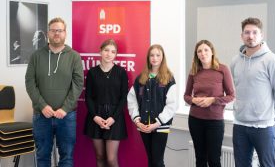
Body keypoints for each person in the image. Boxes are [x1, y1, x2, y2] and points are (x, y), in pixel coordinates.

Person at [25, 17, 84, 167]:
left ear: (65, 33)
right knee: (43, 156)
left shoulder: (74, 57)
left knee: (67, 157)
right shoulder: (36, 56)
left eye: (60, 30)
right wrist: (42, 106)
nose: (56, 33)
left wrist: (65, 108)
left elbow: (78, 84)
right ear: (48, 33)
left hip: (67, 116)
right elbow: (30, 83)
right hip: (41, 115)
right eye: (53, 30)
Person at [230, 17, 275, 167]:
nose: (251, 36)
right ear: (241, 36)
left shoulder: (272, 60)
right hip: (240, 125)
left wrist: (272, 118)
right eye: (247, 32)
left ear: (261, 35)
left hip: (264, 127)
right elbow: (235, 90)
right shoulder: (235, 61)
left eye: (255, 32)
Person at [184, 40, 235, 167]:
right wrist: (193, 100)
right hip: (195, 120)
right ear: (197, 54)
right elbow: (186, 96)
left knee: (214, 160)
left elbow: (231, 96)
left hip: (215, 122)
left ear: (212, 52)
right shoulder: (194, 71)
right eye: (199, 51)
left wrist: (213, 100)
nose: (203, 53)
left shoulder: (222, 69)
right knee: (200, 159)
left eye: (206, 50)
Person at [127, 44, 178, 167]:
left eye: (157, 55)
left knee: (157, 161)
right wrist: (137, 121)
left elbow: (172, 105)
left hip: (160, 126)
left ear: (162, 58)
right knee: (150, 160)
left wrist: (156, 123)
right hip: (144, 126)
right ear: (148, 58)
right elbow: (131, 100)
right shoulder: (141, 78)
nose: (154, 58)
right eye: (152, 55)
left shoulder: (169, 79)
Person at [84, 39, 128, 167]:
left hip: (115, 118)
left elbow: (123, 98)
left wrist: (113, 118)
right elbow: (88, 97)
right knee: (100, 157)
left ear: (116, 55)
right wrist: (95, 117)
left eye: (113, 52)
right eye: (106, 50)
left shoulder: (121, 72)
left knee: (111, 159)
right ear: (100, 51)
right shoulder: (92, 72)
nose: (109, 54)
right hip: (96, 116)